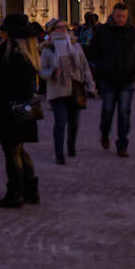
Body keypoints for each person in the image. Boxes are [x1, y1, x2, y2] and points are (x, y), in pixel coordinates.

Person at [0, 13, 40, 208]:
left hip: (10, 108)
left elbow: (3, 83)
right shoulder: (26, 54)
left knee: (11, 151)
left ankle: (15, 192)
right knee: (19, 149)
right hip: (23, 107)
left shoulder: (16, 56)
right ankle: (31, 189)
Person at [91, 2, 135, 158]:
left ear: (127, 16)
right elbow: (93, 52)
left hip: (127, 80)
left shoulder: (133, 32)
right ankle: (105, 133)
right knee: (107, 111)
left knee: (124, 113)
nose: (121, 19)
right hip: (108, 79)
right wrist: (100, 70)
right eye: (118, 16)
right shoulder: (102, 31)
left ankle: (122, 144)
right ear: (112, 15)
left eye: (123, 16)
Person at [40, 18, 96, 165]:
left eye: (65, 27)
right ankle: (59, 154)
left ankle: (71, 146)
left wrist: (90, 85)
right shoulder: (47, 49)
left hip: (75, 88)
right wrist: (52, 72)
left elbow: (84, 66)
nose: (64, 29)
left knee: (74, 122)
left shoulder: (75, 46)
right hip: (57, 90)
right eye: (59, 27)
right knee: (61, 121)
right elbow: (42, 71)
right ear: (52, 31)